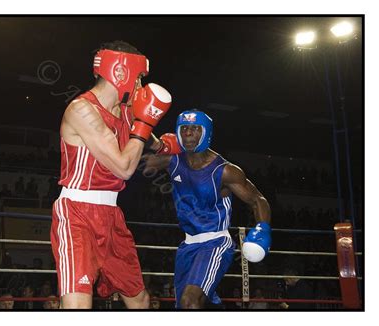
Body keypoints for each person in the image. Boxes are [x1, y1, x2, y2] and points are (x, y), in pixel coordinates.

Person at [50, 40, 172, 309]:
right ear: (120, 72)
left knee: (140, 300)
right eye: (139, 78)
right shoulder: (82, 110)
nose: (141, 86)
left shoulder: (128, 110)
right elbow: (124, 167)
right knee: (78, 306)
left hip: (111, 215)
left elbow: (147, 137)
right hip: (77, 214)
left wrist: (165, 146)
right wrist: (144, 122)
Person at [142, 109, 272, 309]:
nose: (188, 133)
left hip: (215, 243)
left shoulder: (225, 171)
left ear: (206, 132)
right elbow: (136, 163)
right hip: (187, 246)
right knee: (186, 306)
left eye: (194, 129)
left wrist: (263, 228)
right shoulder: (173, 161)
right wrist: (140, 127)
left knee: (190, 301)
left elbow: (257, 200)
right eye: (184, 128)